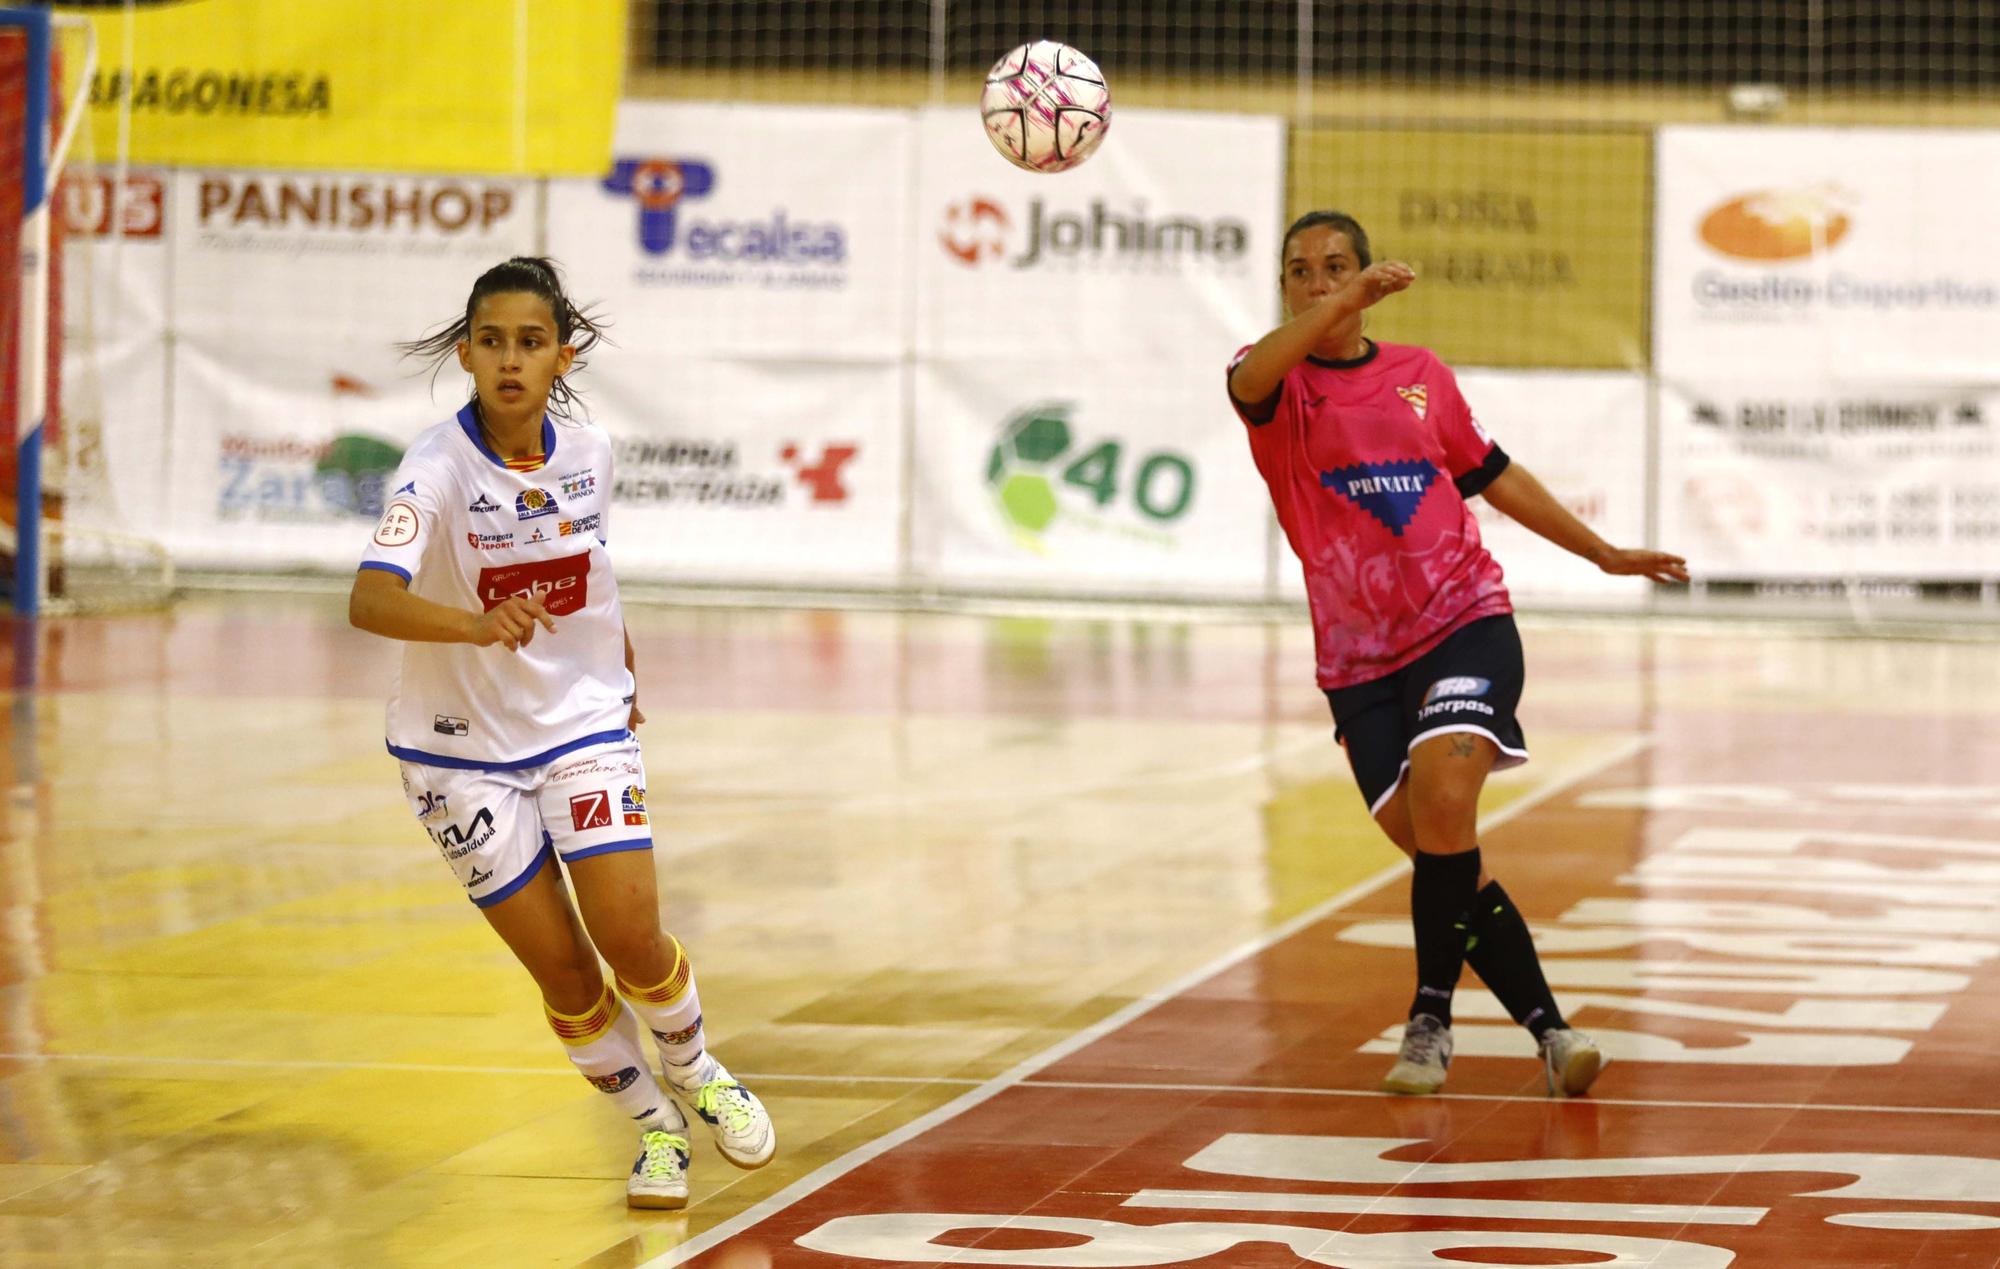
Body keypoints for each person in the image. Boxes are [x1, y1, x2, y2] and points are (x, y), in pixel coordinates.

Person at [1226, 211, 1688, 1097]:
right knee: (1445, 856)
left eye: (1335, 267)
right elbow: (1253, 373)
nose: (1318, 283)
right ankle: (1553, 1032)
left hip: (1463, 617)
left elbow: (1492, 471)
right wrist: (1341, 307)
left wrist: (1603, 553)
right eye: (1300, 271)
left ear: (1362, 272)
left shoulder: (1418, 375)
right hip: (1359, 659)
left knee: (1445, 792)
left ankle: (1429, 1016)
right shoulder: (1274, 384)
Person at [349, 257, 774, 1207]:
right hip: (456, 753)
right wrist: (472, 624)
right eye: (491, 341)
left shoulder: (591, 453)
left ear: (561, 355)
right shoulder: (437, 466)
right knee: (569, 975)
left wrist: (617, 665)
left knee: (632, 935)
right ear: (465, 352)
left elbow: (590, 566)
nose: (510, 359)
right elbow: (369, 600)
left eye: (530, 342)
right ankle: (655, 1130)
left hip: (580, 725)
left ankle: (697, 1067)